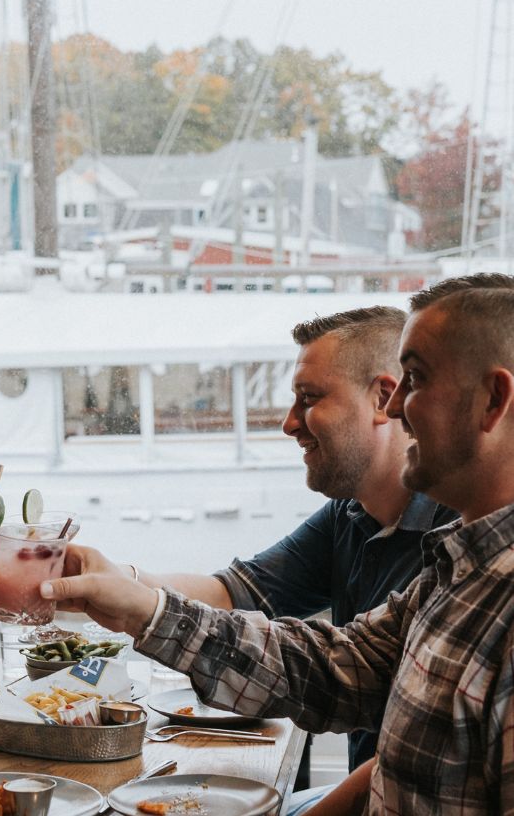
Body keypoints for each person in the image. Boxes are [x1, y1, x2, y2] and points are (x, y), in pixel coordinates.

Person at [42, 274, 514, 813]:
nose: (399, 408)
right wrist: (139, 606)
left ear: (493, 400)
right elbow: (332, 666)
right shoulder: (453, 567)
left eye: (417, 380)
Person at [108, 306, 455, 784]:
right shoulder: (349, 514)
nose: (289, 424)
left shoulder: (456, 544)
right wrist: (111, 580)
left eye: (309, 399)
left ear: (383, 398)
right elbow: (237, 593)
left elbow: (412, 754)